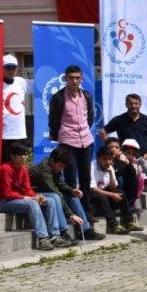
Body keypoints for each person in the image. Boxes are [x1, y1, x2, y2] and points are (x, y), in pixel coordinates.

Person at [0, 143, 72, 250]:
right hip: (4, 201)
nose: (24, 157)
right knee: (32, 204)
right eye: (20, 155)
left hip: (19, 199)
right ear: (12, 156)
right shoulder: (5, 169)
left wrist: (37, 196)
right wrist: (28, 198)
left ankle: (55, 236)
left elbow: (27, 189)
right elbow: (7, 193)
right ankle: (43, 239)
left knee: (50, 200)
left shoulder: (24, 169)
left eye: (25, 154)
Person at [102, 93, 147, 210]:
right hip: (124, 157)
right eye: (130, 103)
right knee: (123, 176)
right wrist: (113, 149)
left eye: (136, 103)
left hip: (144, 156)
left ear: (140, 105)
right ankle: (125, 201)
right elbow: (103, 132)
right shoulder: (119, 119)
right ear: (126, 104)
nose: (133, 106)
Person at [48, 65, 96, 200]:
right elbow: (53, 120)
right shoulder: (58, 97)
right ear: (65, 79)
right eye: (71, 78)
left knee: (86, 177)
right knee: (70, 179)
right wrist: (61, 135)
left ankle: (86, 211)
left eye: (77, 78)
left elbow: (90, 117)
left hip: (86, 141)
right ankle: (73, 213)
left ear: (82, 79)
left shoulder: (86, 96)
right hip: (68, 141)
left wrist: (84, 129)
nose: (75, 81)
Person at [30, 145, 96, 241]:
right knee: (56, 196)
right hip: (35, 192)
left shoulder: (53, 166)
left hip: (46, 191)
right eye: (61, 166)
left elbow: (60, 183)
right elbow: (54, 190)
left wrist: (72, 190)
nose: (62, 169)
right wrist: (70, 214)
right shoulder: (44, 170)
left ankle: (85, 229)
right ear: (53, 161)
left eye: (63, 167)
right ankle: (63, 231)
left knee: (72, 196)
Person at [89, 147, 136, 235]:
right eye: (105, 159)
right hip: (91, 195)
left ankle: (128, 221)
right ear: (98, 158)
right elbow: (93, 189)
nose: (108, 162)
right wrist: (112, 195)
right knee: (101, 197)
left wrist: (110, 174)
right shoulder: (92, 167)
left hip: (104, 192)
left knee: (121, 193)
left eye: (110, 159)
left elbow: (113, 188)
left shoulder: (110, 167)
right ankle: (113, 225)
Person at [2, 55, 28, 163]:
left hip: (20, 133)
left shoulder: (20, 82)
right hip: (4, 134)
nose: (11, 71)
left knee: (19, 166)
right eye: (8, 68)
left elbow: (38, 87)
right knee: (5, 167)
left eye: (13, 68)